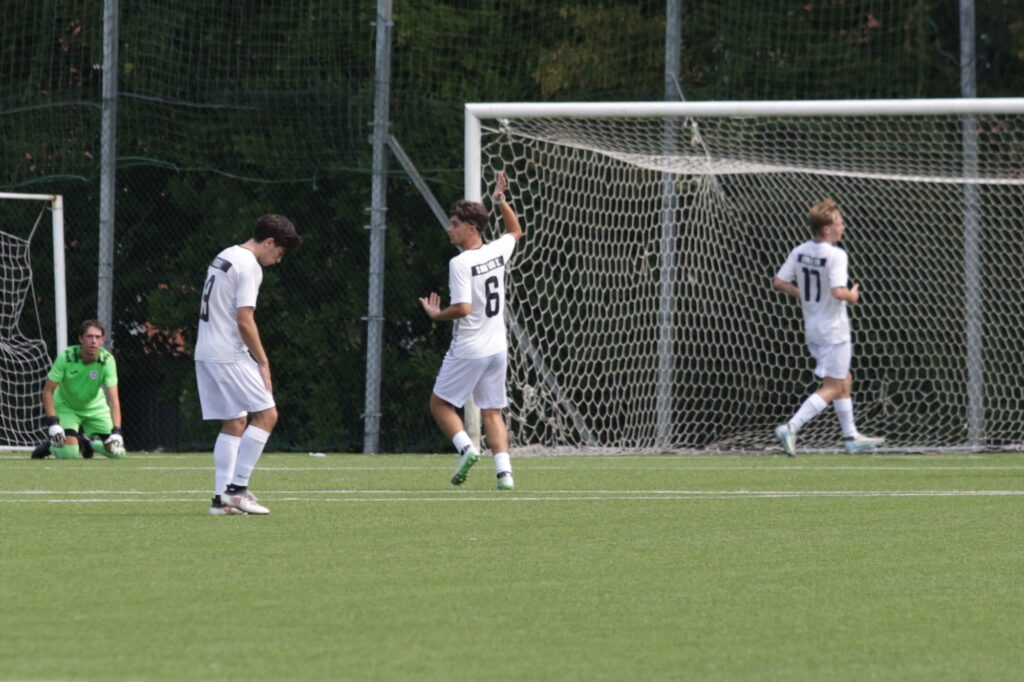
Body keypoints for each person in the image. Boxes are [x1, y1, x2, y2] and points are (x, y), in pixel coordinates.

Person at [419, 171, 524, 489]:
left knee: (439, 404)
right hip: (497, 349)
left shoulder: (460, 263)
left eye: (454, 224)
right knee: (493, 411)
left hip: (469, 348)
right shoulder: (497, 251)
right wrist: (500, 200)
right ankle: (504, 474)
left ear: (472, 228)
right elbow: (515, 231)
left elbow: (463, 308)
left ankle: (467, 448)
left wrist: (437, 315)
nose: (449, 229)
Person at [194, 214, 301, 516]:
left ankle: (221, 501)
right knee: (267, 415)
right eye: (279, 252)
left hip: (206, 351)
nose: (278, 260)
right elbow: (244, 320)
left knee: (235, 421)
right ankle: (237, 490)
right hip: (229, 353)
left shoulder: (226, 254)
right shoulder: (249, 266)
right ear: (269, 242)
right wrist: (263, 361)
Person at [772, 198, 884, 457]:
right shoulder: (836, 255)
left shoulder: (800, 251)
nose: (843, 227)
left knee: (844, 378)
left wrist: (801, 294)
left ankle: (851, 437)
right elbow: (837, 292)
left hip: (813, 328)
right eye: (839, 223)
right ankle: (791, 427)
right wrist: (853, 296)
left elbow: (778, 282)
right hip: (835, 330)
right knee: (833, 386)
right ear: (826, 229)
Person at [32, 319, 125, 460]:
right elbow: (47, 391)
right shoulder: (66, 357)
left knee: (118, 453)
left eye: (97, 337)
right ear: (81, 339)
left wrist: (117, 431)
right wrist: (53, 422)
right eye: (89, 336)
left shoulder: (107, 361)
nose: (93, 341)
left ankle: (90, 444)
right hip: (67, 407)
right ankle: (49, 446)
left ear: (102, 340)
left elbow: (113, 400)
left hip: (95, 408)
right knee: (69, 454)